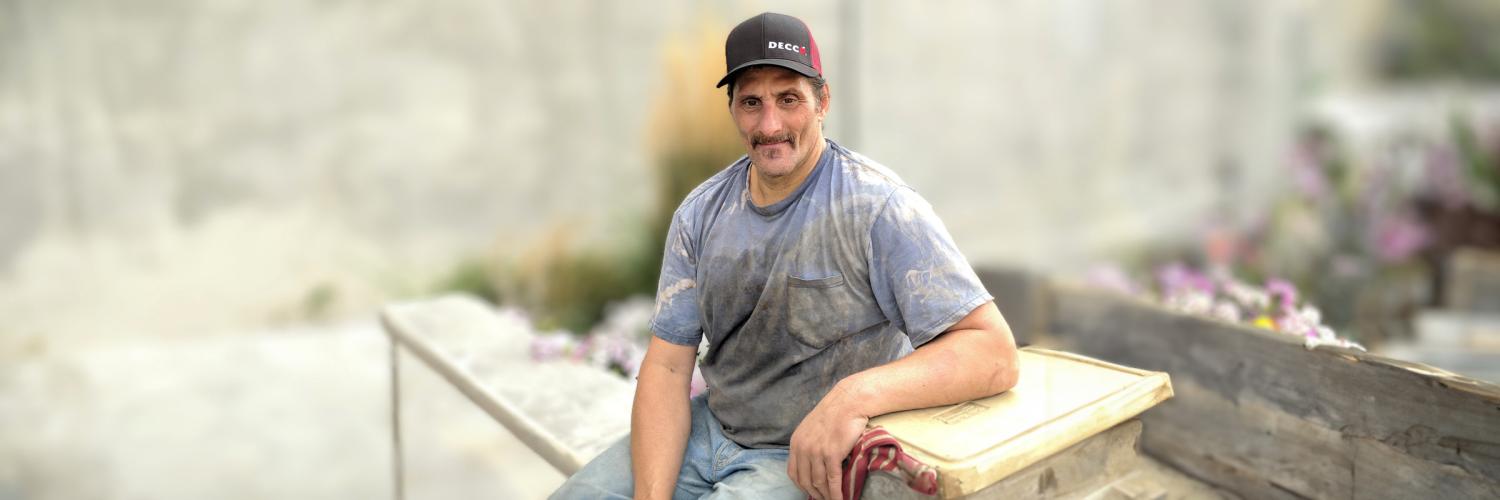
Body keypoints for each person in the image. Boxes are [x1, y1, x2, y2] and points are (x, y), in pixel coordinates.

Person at [552, 12, 1019, 500]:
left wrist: (850, 397)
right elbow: (669, 368)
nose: (769, 124)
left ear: (823, 101)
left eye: (788, 98)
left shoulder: (878, 208)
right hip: (708, 430)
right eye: (751, 102)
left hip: (803, 456)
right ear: (732, 108)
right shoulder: (700, 214)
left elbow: (993, 351)